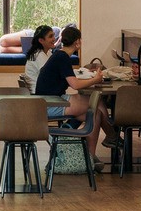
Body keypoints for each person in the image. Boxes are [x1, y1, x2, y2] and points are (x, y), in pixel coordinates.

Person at [33, 25, 106, 164]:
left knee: (95, 115)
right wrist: (95, 79)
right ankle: (112, 137)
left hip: (50, 100)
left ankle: (90, 157)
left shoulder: (59, 55)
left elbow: (71, 80)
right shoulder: (63, 58)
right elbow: (75, 85)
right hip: (50, 103)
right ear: (77, 42)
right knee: (98, 103)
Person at [18, 25, 56, 92]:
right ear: (41, 40)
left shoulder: (48, 53)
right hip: (39, 94)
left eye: (53, 35)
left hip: (43, 91)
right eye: (50, 36)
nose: (54, 39)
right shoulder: (38, 55)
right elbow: (49, 76)